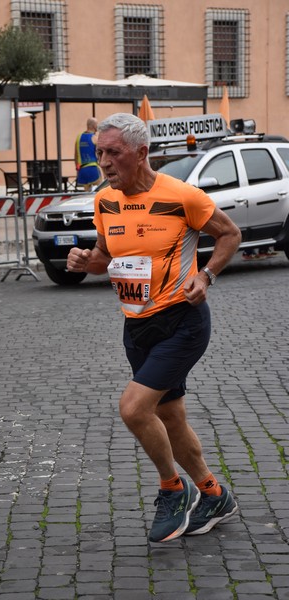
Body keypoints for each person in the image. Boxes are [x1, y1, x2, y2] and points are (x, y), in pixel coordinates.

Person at [67, 113, 242, 543]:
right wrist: (84, 262)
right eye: (99, 152)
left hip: (183, 322)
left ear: (141, 153)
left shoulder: (182, 196)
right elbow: (106, 258)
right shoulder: (104, 201)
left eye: (113, 153)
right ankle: (214, 494)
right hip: (137, 326)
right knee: (170, 416)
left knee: (134, 408)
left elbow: (229, 234)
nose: (104, 162)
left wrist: (206, 276)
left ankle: (172, 489)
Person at [75, 117, 103, 191]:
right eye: (97, 124)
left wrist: (77, 170)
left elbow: (76, 156)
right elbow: (100, 155)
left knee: (86, 194)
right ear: (94, 126)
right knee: (100, 190)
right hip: (93, 169)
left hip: (82, 171)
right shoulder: (95, 138)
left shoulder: (79, 138)